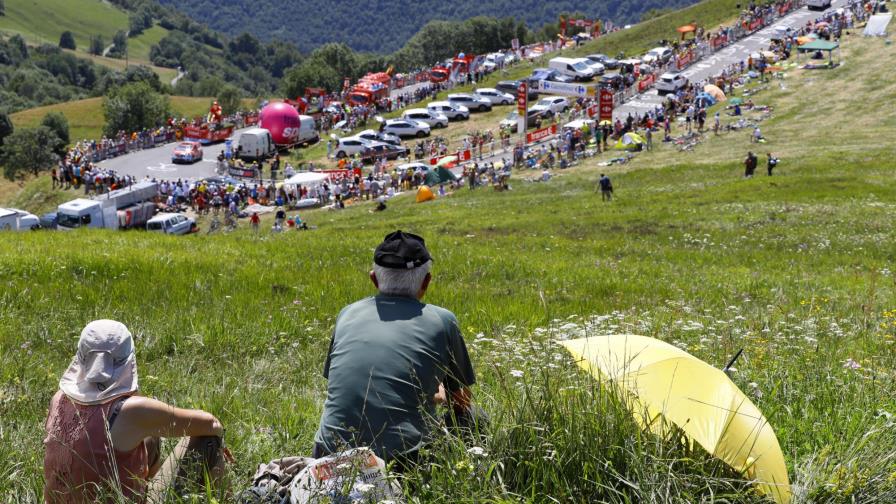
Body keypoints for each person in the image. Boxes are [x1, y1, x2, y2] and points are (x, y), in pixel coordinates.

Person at [313, 231, 480, 469]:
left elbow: (353, 386)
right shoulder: (443, 320)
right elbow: (461, 403)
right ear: (426, 282)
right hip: (403, 461)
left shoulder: (347, 313)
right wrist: (437, 396)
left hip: (328, 456)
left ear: (374, 279)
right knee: (476, 417)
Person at [44, 320, 229, 503]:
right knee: (208, 438)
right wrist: (218, 440)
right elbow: (211, 423)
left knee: (150, 437)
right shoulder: (133, 411)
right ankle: (227, 500)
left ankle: (147, 489)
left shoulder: (59, 398)